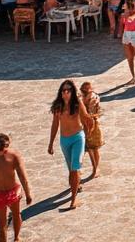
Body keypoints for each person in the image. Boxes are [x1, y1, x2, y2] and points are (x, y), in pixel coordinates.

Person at [47, 80, 93, 210]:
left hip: (78, 138)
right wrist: (50, 143)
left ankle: (73, 200)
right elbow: (55, 124)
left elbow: (86, 118)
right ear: (60, 93)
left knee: (74, 169)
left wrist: (89, 131)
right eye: (63, 90)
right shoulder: (58, 106)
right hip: (64, 140)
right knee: (71, 169)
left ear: (72, 92)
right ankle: (76, 185)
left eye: (68, 90)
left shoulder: (77, 104)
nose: (66, 92)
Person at [0, 133, 31, 242]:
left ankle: (16, 238)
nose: (7, 149)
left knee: (16, 215)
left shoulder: (14, 156)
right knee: (2, 223)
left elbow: (23, 177)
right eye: (6, 146)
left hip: (13, 191)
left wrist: (28, 194)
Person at [79, 81, 104, 180]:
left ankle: (95, 169)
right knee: (87, 149)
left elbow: (91, 114)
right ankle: (79, 170)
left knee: (94, 148)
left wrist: (89, 129)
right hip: (83, 126)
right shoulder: (83, 98)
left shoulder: (93, 98)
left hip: (93, 125)